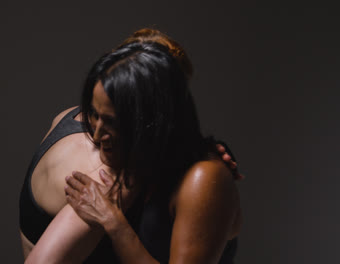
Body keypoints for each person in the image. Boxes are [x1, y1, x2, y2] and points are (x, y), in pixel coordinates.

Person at [20, 30, 240, 263]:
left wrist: (114, 223)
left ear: (154, 119)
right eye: (94, 113)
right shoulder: (113, 177)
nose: (95, 133)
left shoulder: (197, 178)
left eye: (113, 121)